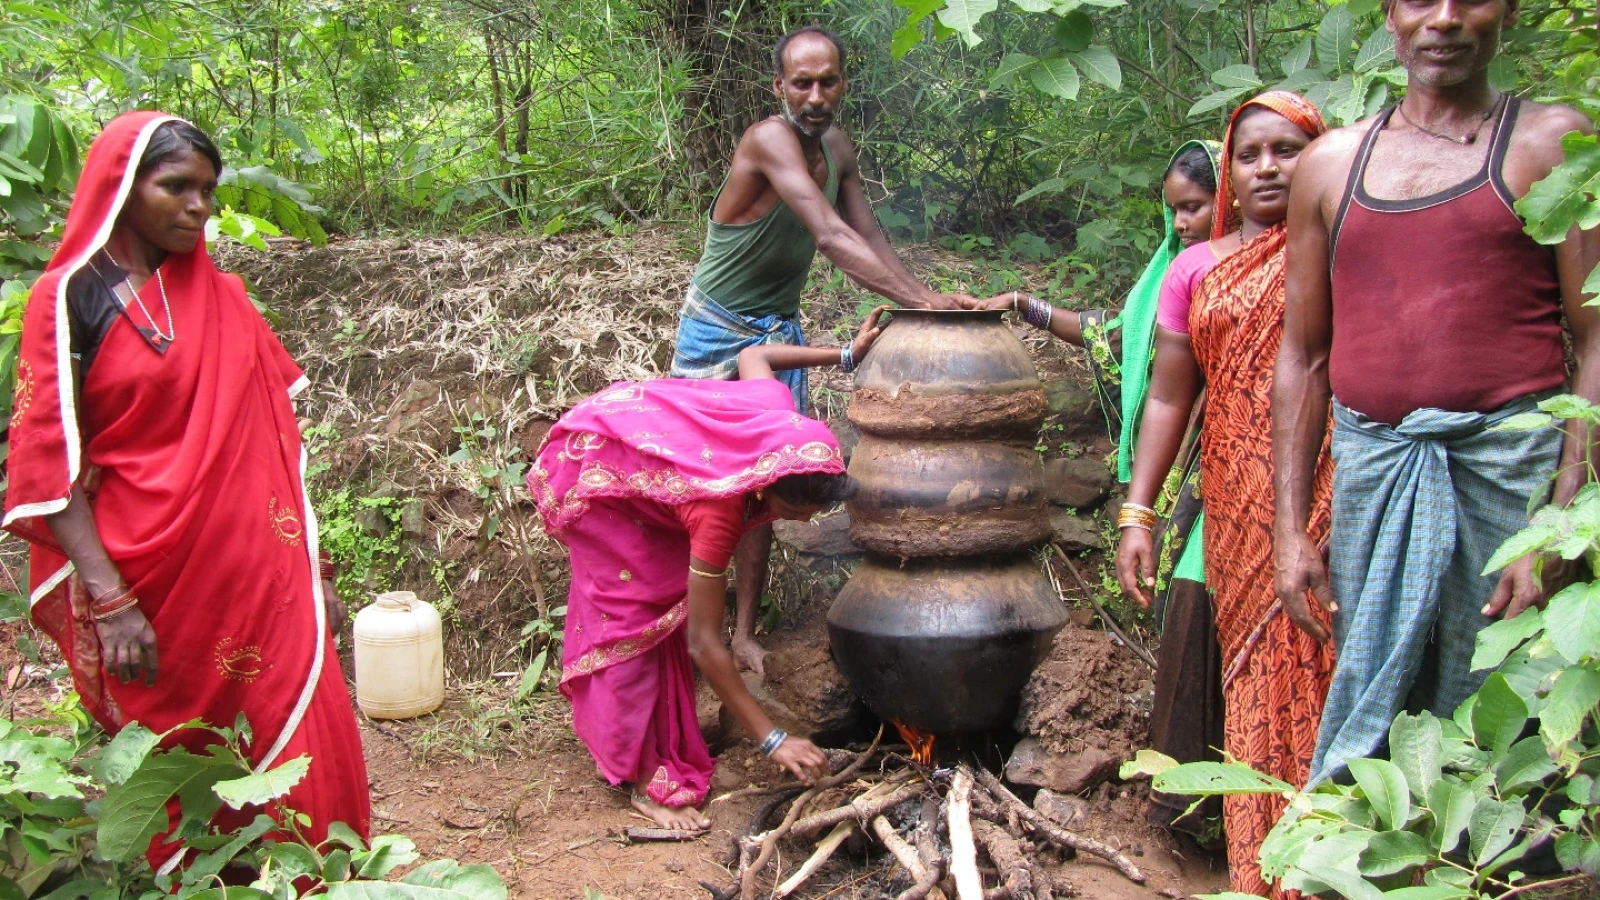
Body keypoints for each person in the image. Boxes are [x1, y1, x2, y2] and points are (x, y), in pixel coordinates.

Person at [3, 112, 370, 868]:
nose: (197, 206)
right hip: (153, 579)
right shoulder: (69, 298)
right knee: (185, 760)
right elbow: (49, 462)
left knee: (297, 737)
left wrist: (316, 571)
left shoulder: (223, 295)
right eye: (176, 187)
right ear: (121, 187)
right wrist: (108, 599)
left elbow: (277, 446)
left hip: (262, 576)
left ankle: (305, 880)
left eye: (207, 189)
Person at [1273, 0, 1599, 786]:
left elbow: (1595, 337)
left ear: (1509, 11)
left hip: (1510, 486)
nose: (1446, 18)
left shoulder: (1553, 142)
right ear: (1390, 14)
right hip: (1375, 478)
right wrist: (1289, 531)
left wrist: (1563, 525)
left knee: (1512, 711)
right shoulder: (1331, 165)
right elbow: (1304, 357)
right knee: (1377, 710)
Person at [670, 24, 974, 677]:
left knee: (770, 484)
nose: (814, 95)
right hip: (718, 329)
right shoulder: (767, 140)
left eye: (827, 81)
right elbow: (833, 238)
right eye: (800, 82)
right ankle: (691, 634)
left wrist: (923, 294)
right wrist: (922, 304)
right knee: (708, 486)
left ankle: (745, 634)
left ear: (843, 83)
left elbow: (869, 235)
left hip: (775, 330)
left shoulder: (836, 146)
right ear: (778, 86)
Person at [531, 310, 888, 830]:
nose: (798, 521)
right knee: (639, 608)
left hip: (647, 446)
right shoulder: (718, 512)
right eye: (790, 513)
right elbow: (704, 642)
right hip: (598, 469)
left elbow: (755, 356)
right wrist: (773, 738)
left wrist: (845, 356)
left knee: (675, 598)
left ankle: (669, 734)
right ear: (762, 487)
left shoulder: (775, 413)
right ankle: (640, 774)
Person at [1113, 92, 1332, 897]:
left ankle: (1338, 865)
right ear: (1231, 169)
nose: (1268, 167)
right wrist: (1139, 509)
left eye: (1289, 149)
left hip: (1340, 501)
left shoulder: (1348, 244)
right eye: (1251, 154)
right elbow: (1172, 396)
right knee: (1254, 690)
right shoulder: (1196, 268)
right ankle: (1266, 871)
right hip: (1236, 512)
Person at [986, 141, 1225, 845]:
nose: (1182, 223)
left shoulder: (1252, 272)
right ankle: (1192, 802)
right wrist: (1026, 306)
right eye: (1174, 209)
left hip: (1227, 475)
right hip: (1172, 485)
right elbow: (1117, 338)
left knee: (1206, 622)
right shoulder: (1169, 279)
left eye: (1196, 207)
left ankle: (1220, 809)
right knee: (1184, 625)